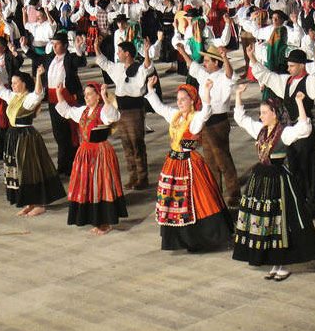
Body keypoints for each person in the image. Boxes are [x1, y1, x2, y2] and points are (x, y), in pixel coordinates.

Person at [232, 86, 315, 280]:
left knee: (282, 221)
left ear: (274, 113)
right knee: (266, 221)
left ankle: (283, 262)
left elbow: (305, 128)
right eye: (261, 113)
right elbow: (241, 119)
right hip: (262, 179)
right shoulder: (260, 130)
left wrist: (299, 103)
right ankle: (274, 261)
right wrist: (238, 95)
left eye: (265, 112)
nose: (261, 116)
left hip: (278, 179)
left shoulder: (284, 133)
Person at [145, 76, 232, 251]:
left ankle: (199, 238)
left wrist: (206, 90)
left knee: (197, 199)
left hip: (189, 163)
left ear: (192, 101)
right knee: (174, 201)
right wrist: (151, 89)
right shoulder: (175, 116)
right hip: (173, 163)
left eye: (183, 99)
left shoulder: (195, 118)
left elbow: (206, 110)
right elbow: (160, 108)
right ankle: (179, 238)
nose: (180, 103)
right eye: (178, 100)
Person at [248, 45, 315, 215]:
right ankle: (299, 201)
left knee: (308, 167)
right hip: (289, 130)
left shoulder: (310, 81)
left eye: (292, 65)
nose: (288, 68)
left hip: (305, 129)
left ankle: (313, 204)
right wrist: (252, 57)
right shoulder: (286, 81)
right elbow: (267, 76)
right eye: (288, 65)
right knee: (294, 166)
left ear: (302, 65)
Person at [56, 81, 127, 234]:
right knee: (87, 186)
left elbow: (113, 116)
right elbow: (67, 111)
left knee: (101, 185)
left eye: (89, 94)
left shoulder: (102, 111)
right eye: (85, 95)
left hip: (100, 152)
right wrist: (59, 94)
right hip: (85, 153)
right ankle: (94, 219)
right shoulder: (83, 111)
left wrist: (105, 97)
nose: (86, 97)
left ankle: (105, 222)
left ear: (97, 96)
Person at [0, 66, 65, 217]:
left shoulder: (28, 99)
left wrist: (38, 76)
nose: (12, 86)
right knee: (19, 170)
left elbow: (38, 94)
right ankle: (29, 202)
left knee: (30, 169)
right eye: (12, 83)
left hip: (26, 137)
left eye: (15, 83)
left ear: (24, 84)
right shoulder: (13, 97)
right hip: (13, 135)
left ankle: (39, 203)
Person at [177, 44, 240, 206]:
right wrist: (182, 51)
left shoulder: (223, 77)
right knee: (210, 160)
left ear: (216, 63)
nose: (204, 63)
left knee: (222, 158)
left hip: (218, 122)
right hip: (205, 121)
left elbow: (230, 74)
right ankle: (215, 191)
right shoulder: (205, 75)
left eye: (207, 60)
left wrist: (225, 57)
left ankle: (234, 193)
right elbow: (193, 65)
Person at [94, 37, 153, 189]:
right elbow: (104, 63)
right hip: (122, 111)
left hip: (134, 110)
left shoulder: (138, 67)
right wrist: (96, 46)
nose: (118, 53)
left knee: (137, 144)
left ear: (127, 54)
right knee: (127, 145)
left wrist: (146, 52)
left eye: (120, 51)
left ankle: (142, 177)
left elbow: (148, 67)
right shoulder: (119, 68)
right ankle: (132, 176)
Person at [32, 31, 86, 175]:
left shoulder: (69, 58)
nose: (54, 47)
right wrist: (24, 48)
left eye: (57, 44)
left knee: (70, 132)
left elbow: (80, 61)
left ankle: (73, 164)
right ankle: (63, 164)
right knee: (58, 133)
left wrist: (79, 49)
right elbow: (37, 58)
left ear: (65, 45)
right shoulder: (51, 59)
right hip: (52, 99)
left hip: (66, 98)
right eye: (53, 44)